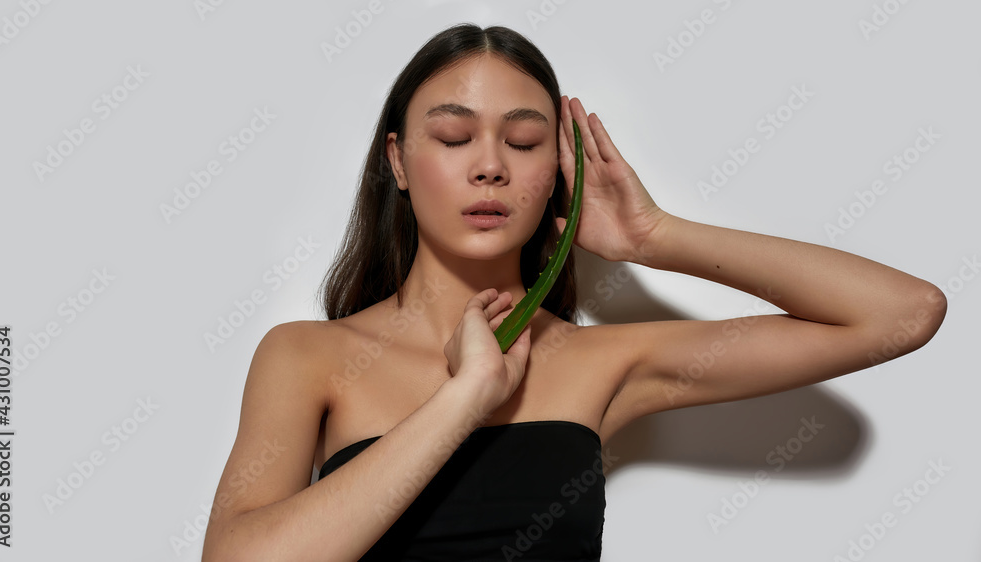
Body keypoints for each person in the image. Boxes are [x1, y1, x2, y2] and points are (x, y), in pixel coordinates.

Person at [201, 23, 947, 561]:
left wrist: (655, 237)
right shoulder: (309, 355)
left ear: (555, 169)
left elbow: (902, 314)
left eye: (523, 143)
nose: (490, 166)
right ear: (398, 160)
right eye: (455, 139)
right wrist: (464, 401)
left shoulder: (602, 363)